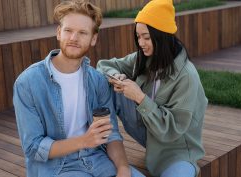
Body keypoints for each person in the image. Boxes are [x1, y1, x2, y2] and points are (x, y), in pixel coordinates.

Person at [13, 1, 145, 177]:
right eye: (68, 30)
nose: (74, 38)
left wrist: (123, 168)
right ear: (59, 32)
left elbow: (111, 133)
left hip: (96, 159)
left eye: (82, 32)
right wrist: (84, 141)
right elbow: (33, 147)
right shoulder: (27, 82)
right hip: (56, 168)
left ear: (93, 38)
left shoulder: (97, 80)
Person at [96, 0, 208, 177]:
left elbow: (171, 130)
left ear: (162, 36)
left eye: (146, 37)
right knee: (106, 84)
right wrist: (117, 77)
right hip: (150, 134)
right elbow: (104, 65)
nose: (141, 43)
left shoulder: (187, 77)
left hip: (176, 149)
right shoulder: (145, 58)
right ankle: (107, 146)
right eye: (138, 37)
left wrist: (139, 97)